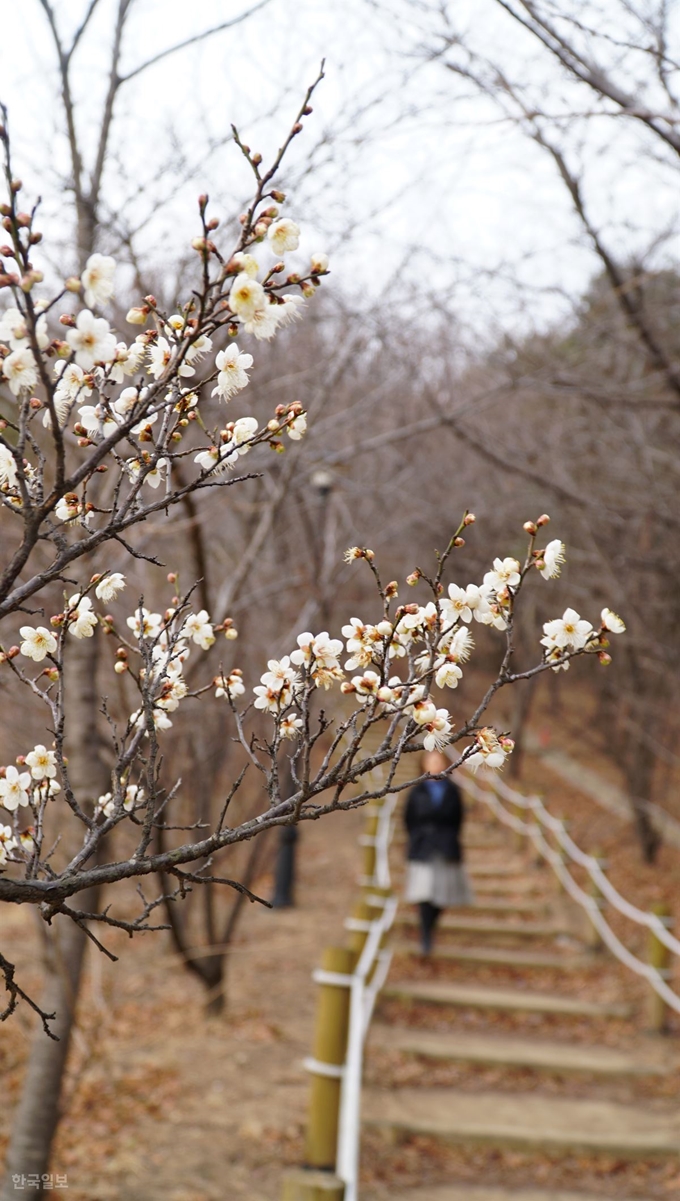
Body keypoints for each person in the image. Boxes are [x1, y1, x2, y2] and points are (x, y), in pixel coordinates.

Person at [404, 749, 474, 955]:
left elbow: (458, 820)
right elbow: (408, 819)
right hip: (423, 847)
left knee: (442, 895)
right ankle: (426, 934)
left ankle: (430, 928)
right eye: (431, 760)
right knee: (424, 893)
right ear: (423, 764)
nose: (435, 764)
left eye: (438, 760)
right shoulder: (416, 791)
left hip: (445, 847)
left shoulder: (453, 791)